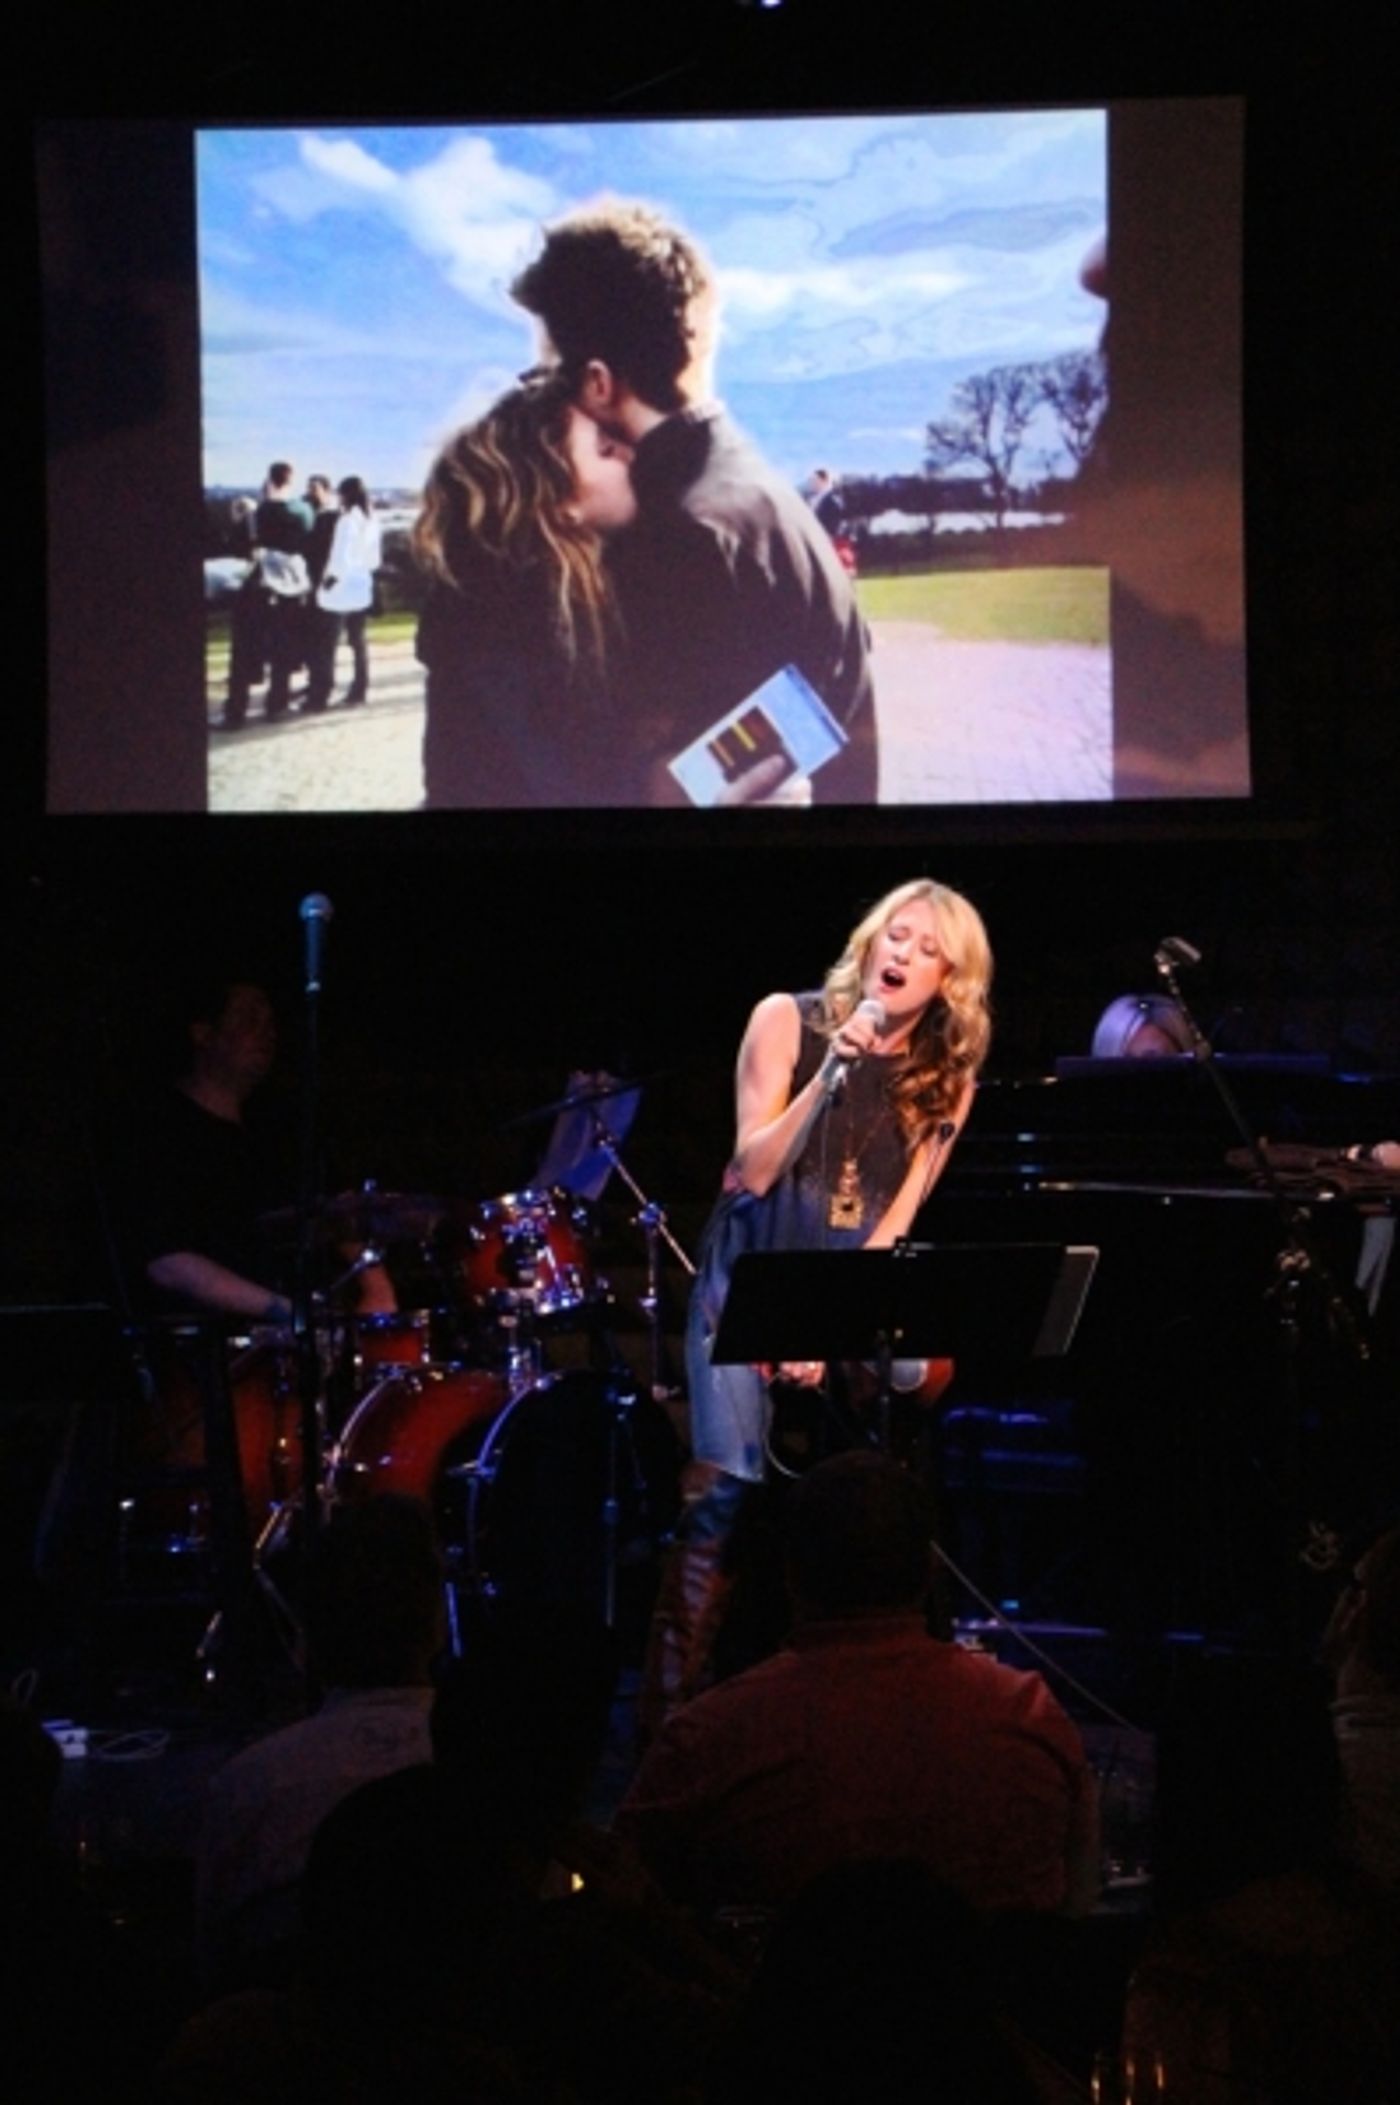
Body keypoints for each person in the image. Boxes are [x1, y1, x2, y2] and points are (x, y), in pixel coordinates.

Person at [641, 877, 992, 1732]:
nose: (901, 953)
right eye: (894, 935)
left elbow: (893, 1229)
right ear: (869, 942)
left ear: (949, 979)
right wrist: (834, 1065)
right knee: (723, 1489)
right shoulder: (786, 1020)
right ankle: (666, 1720)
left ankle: (854, 1710)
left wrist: (826, 1327)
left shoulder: (947, 1077)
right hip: (743, 1284)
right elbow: (753, 1170)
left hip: (835, 1297)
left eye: (926, 947)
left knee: (865, 1483)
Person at [617, 1450, 1098, 1920]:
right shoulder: (1029, 1713)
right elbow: (1078, 1902)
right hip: (1000, 1999)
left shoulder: (708, 1738)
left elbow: (628, 1899)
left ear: (790, 1575)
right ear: (931, 1575)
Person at [510, 199, 877, 805]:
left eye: (543, 374)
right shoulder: (750, 493)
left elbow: (662, 792)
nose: (533, 398)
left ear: (597, 383)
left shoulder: (678, 535)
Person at [415, 370, 638, 807]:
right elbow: (562, 783)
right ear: (557, 497)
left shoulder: (492, 586)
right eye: (605, 448)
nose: (629, 456)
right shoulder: (510, 610)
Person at [219, 462, 313, 729]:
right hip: (290, 590)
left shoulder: (255, 515)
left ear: (269, 481)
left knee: (243, 653)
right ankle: (277, 705)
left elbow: (238, 549)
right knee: (282, 651)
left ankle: (236, 712)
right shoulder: (304, 513)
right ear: (290, 481)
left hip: (258, 587)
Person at [305, 475, 382, 713]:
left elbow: (339, 558)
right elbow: (374, 560)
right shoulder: (372, 520)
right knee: (358, 642)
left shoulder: (346, 521)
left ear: (344, 495)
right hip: (361, 586)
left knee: (326, 645)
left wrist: (326, 582)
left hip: (340, 590)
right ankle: (360, 689)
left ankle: (320, 695)